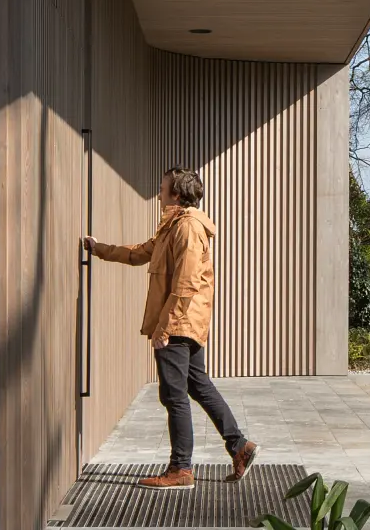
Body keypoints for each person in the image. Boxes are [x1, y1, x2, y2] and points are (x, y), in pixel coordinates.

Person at [83, 166, 258, 489]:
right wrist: (99, 248)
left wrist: (164, 327)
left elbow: (186, 282)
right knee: (198, 386)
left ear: (176, 193)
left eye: (162, 187)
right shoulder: (173, 226)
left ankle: (181, 469)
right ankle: (239, 446)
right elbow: (139, 254)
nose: (159, 191)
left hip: (179, 323)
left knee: (173, 395)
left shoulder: (188, 228)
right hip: (184, 321)